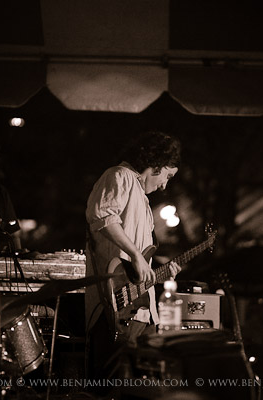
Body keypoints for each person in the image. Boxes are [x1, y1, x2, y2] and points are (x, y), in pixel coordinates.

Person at [85, 131, 182, 382]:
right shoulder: (120, 176)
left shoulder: (142, 198)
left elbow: (137, 262)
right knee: (114, 384)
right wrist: (137, 255)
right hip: (115, 308)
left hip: (140, 309)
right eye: (168, 176)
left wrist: (155, 271)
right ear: (157, 164)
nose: (165, 185)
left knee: (140, 387)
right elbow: (102, 217)